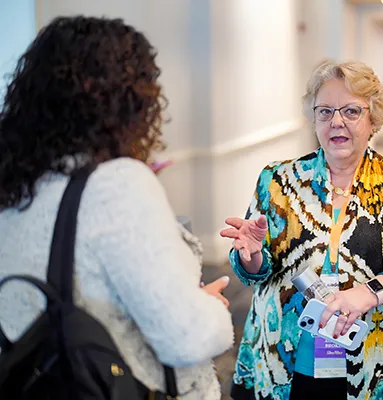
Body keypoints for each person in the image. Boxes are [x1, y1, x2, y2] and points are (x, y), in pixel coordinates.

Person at [0, 16, 233, 399]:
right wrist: (207, 308)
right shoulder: (115, 185)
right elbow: (187, 338)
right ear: (129, 99)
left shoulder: (16, 186)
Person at [221, 60, 383, 400]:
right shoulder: (278, 180)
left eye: (351, 111)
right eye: (325, 111)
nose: (336, 121)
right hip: (279, 357)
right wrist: (251, 257)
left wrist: (368, 292)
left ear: (374, 118)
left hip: (362, 362)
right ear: (313, 118)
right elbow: (255, 272)